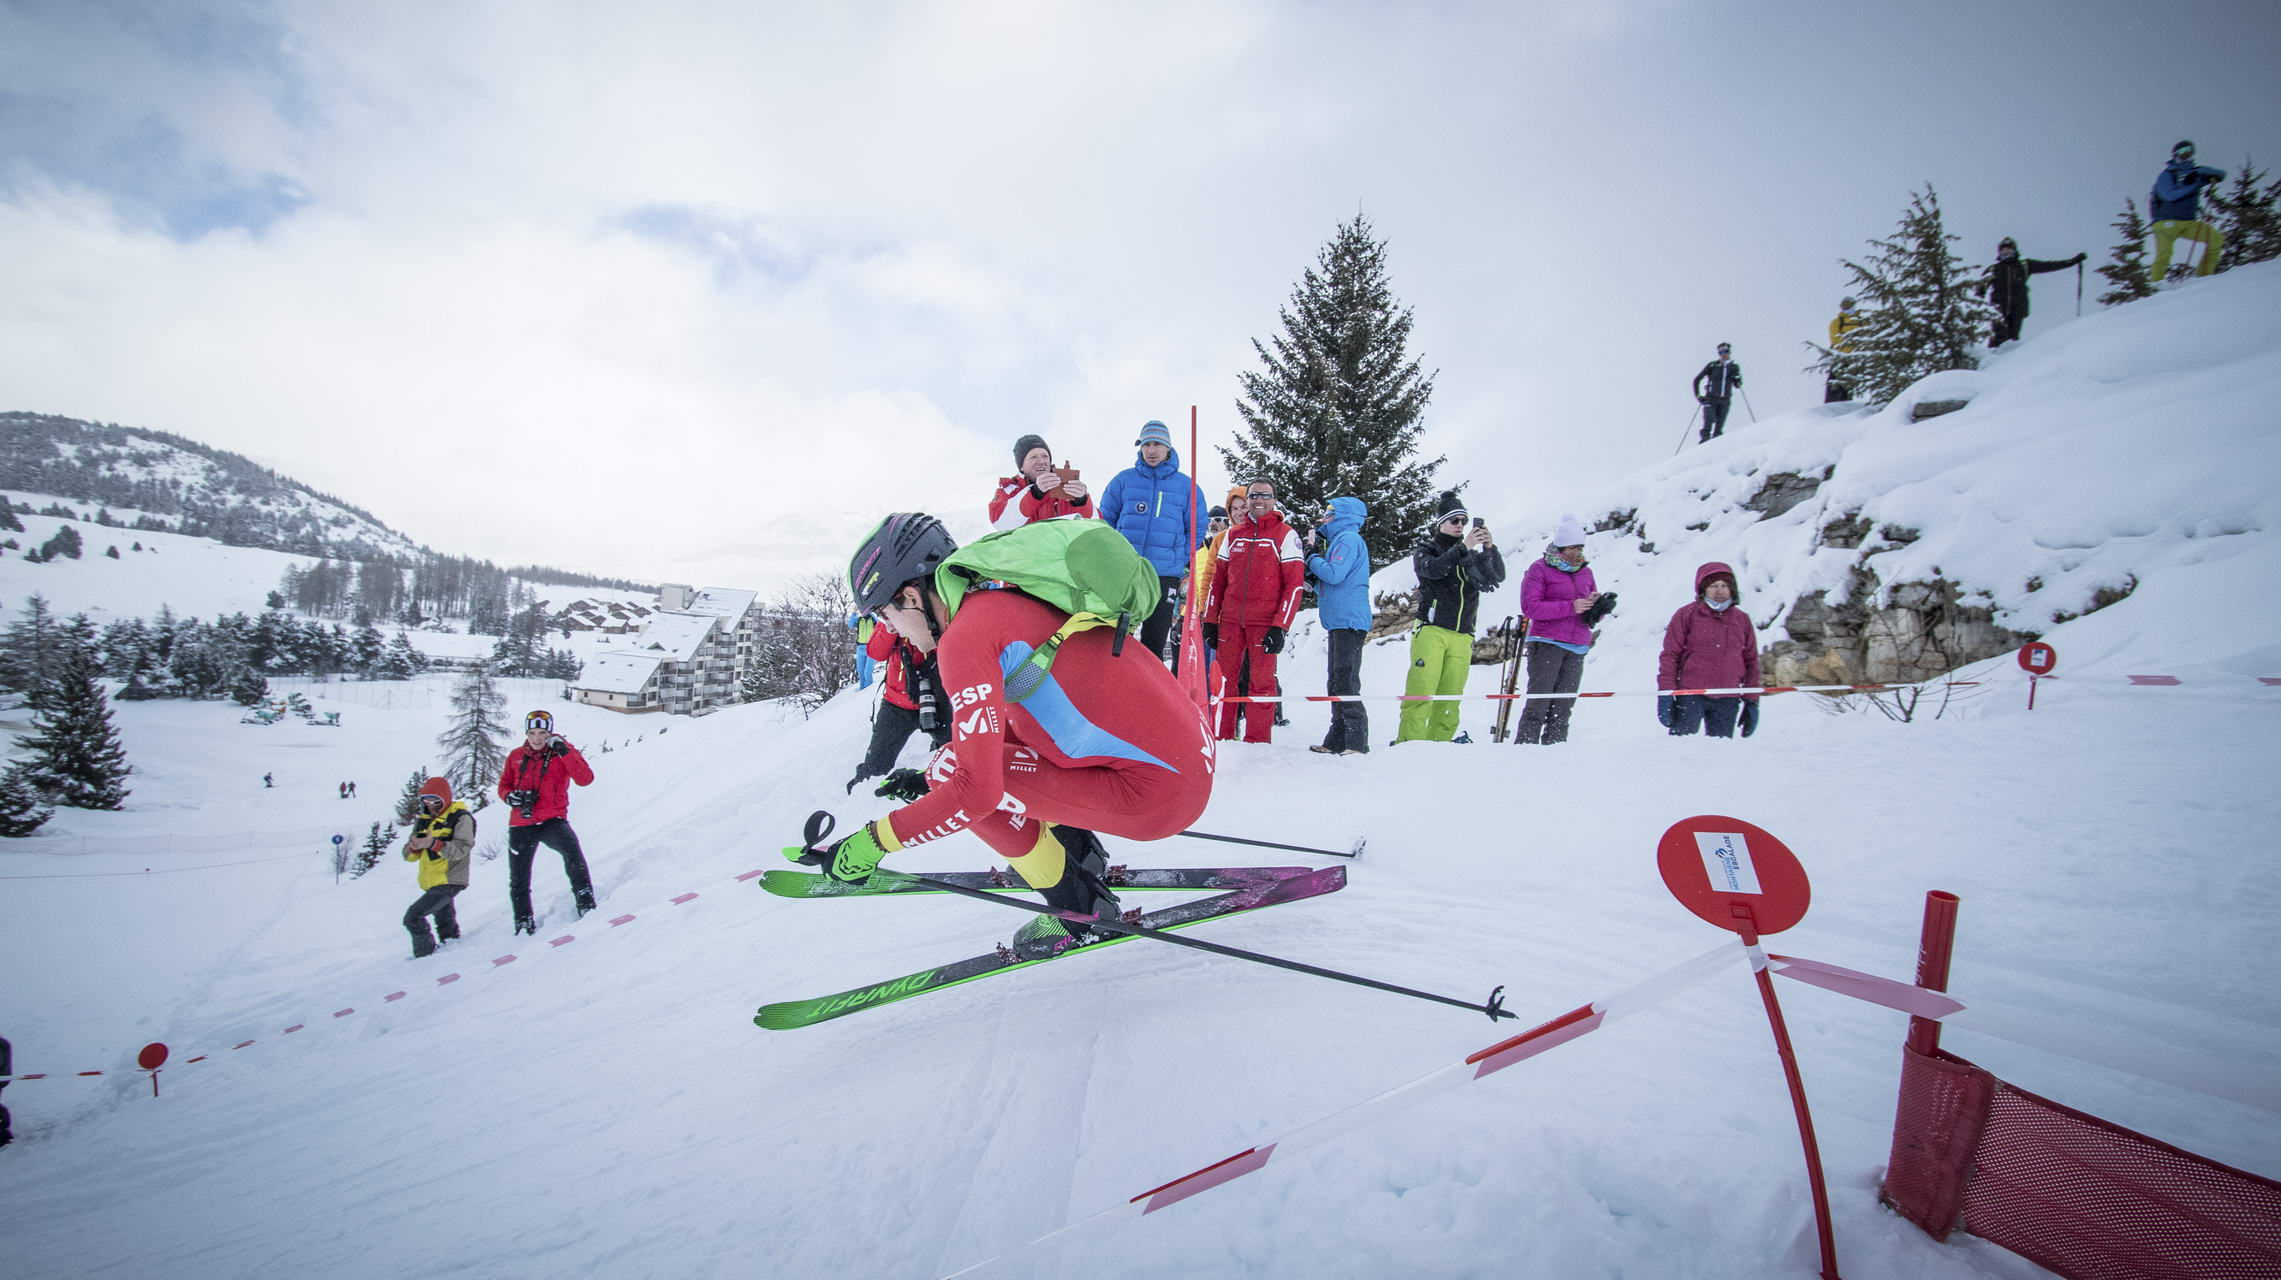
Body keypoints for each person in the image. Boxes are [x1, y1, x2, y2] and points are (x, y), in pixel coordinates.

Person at [805, 513, 1214, 953]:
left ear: (910, 596)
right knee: (958, 762)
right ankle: (1079, 853)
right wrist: (924, 782)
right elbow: (1027, 724)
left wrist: (874, 842)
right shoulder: (1008, 600)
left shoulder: (965, 638)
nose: (888, 628)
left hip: (1157, 797)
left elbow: (976, 790)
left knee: (954, 772)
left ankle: (1080, 908)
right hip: (1183, 766)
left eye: (884, 615)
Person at [1395, 493, 1505, 744]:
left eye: (1463, 521)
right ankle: (1409, 746)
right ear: (1441, 523)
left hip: (1463, 634)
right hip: (1432, 629)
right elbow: (1431, 570)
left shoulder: (1472, 557)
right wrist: (1463, 547)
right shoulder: (1427, 549)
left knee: (1450, 696)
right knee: (1421, 692)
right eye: (1454, 520)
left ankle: (1439, 747)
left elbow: (1496, 576)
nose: (1460, 526)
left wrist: (1489, 548)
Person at [1202, 480, 1304, 744]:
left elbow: (1294, 586)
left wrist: (1280, 625)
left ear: (1274, 499)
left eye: (1265, 495)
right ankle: (1222, 737)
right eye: (1253, 495)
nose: (1259, 500)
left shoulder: (1285, 535)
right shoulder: (1232, 536)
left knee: (1261, 682)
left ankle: (1258, 741)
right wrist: (1211, 620)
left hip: (1265, 622)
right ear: (1246, 500)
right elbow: (1218, 582)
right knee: (1224, 682)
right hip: (1231, 622)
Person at [1100, 420, 1206, 661]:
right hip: (1127, 571)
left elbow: (1196, 529)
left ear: (1168, 448)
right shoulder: (1123, 480)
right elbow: (1105, 520)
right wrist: (1116, 555)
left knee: (1154, 641)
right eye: (1146, 444)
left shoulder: (1186, 486)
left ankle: (1148, 695)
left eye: (1157, 444)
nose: (1151, 450)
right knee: (1115, 636)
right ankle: (1113, 689)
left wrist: (1177, 560)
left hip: (1165, 575)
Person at [496, 709, 597, 933]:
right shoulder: (515, 756)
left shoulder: (561, 753)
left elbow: (585, 779)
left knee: (574, 856)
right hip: (522, 823)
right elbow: (504, 785)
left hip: (552, 819)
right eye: (532, 733)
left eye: (542, 732)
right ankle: (523, 923)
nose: (537, 738)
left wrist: (565, 751)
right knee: (519, 878)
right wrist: (509, 797)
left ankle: (586, 904)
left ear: (550, 732)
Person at [1514, 515, 1608, 746]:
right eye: (1574, 547)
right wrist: (1571, 606)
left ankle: (1555, 755)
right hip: (1547, 643)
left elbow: (1587, 611)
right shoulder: (1540, 569)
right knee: (1539, 704)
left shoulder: (1586, 572)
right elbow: (1530, 607)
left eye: (1581, 547)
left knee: (1563, 708)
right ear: (1561, 546)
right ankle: (1523, 753)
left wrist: (1597, 606)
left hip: (1577, 645)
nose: (1578, 552)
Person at [846, 610, 949, 792]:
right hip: (896, 705)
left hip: (938, 701)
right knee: (875, 766)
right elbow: (876, 652)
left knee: (955, 757)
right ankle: (859, 798)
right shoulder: (891, 615)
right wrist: (890, 626)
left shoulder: (938, 611)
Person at [1658, 562, 1762, 739]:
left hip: (1728, 696)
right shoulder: (1686, 615)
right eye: (1713, 586)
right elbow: (1670, 656)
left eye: (1724, 585)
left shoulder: (1741, 620)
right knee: (1680, 748)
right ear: (1703, 589)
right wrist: (1666, 693)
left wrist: (1752, 699)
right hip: (1690, 694)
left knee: (1720, 754)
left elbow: (1751, 662)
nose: (1719, 590)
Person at [1306, 496, 1372, 756]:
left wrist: (1311, 558)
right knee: (1335, 682)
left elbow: (1334, 573)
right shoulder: (1339, 541)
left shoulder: (1348, 539)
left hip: (1350, 620)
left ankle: (1356, 741)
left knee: (1345, 681)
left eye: (1330, 512)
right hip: (1339, 621)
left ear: (1344, 515)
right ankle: (1336, 739)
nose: (1325, 517)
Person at [401, 776, 474, 958]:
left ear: (445, 798)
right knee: (446, 926)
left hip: (450, 879)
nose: (431, 805)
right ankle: (448, 958)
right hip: (433, 880)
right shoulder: (423, 821)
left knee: (413, 917)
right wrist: (414, 847)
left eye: (436, 801)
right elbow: (408, 855)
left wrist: (434, 844)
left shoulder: (460, 817)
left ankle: (424, 958)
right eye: (427, 801)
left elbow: (463, 848)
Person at [2147, 140, 2227, 284]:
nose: (2185, 154)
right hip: (2165, 221)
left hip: (2188, 221)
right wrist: (2195, 183)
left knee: (2216, 239)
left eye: (2189, 150)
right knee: (2164, 254)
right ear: (2175, 154)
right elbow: (2169, 195)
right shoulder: (2167, 174)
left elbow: (2220, 173)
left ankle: (2204, 278)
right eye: (2182, 151)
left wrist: (2202, 175)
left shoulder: (2194, 172)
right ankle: (2155, 286)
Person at [1983, 238, 2085, 347]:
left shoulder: (2024, 265)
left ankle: (2012, 362)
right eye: (2003, 251)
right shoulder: (1994, 269)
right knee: (1998, 337)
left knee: (2013, 338)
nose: (2006, 254)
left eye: (2009, 251)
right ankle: (1992, 360)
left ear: (2014, 251)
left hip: (2018, 307)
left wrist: (2073, 261)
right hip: (1998, 309)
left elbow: (2049, 265)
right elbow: (1978, 288)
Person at [988, 433, 1093, 529]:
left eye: (1045, 456)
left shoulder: (1065, 485)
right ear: (1021, 467)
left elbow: (1094, 524)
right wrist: (1035, 492)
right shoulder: (1009, 490)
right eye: (1033, 457)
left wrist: (1081, 501)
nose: (1041, 461)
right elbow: (1001, 523)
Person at [1693, 344, 1742, 442]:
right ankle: (1704, 444)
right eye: (1721, 352)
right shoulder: (1713, 366)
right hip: (1711, 399)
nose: (1724, 354)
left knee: (1719, 428)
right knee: (1709, 421)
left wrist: (1737, 378)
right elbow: (1697, 380)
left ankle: (1716, 448)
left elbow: (1737, 385)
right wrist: (1698, 395)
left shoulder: (1733, 367)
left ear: (1729, 352)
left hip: (1725, 400)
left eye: (1726, 351)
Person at [1825, 298, 1860, 403]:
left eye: (1849, 306)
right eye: (1845, 306)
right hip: (1841, 358)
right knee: (1836, 386)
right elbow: (1835, 339)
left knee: (1848, 386)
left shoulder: (1861, 321)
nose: (1847, 308)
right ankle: (1834, 406)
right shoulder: (1836, 323)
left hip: (1857, 359)